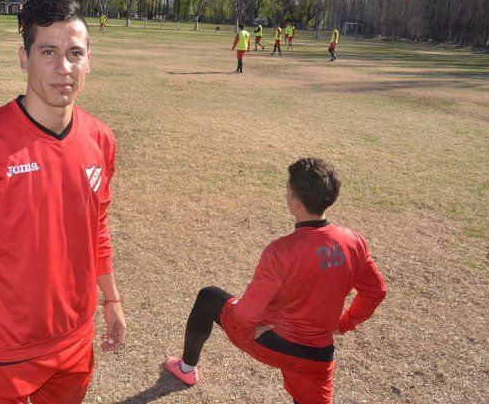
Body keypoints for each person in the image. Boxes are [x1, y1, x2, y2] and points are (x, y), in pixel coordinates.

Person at [0, 0, 126, 404]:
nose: (62, 68)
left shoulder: (101, 140)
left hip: (74, 341)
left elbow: (96, 227)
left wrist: (111, 298)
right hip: (2, 351)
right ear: (24, 57)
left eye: (74, 54)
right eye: (48, 52)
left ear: (89, 62)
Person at [165, 157, 387, 404]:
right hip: (319, 356)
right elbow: (376, 291)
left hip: (275, 343)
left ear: (294, 201)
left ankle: (186, 369)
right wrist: (344, 323)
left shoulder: (281, 252)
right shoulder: (353, 242)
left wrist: (247, 333)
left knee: (208, 296)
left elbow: (248, 314)